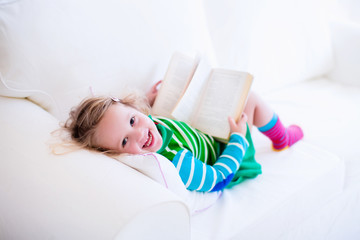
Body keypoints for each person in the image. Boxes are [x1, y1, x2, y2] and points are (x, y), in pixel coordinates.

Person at [62, 80, 303, 192]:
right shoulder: (175, 163)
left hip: (207, 130)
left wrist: (150, 99)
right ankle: (282, 138)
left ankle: (277, 134)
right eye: (125, 141)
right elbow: (217, 178)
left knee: (234, 90)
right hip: (228, 153)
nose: (139, 134)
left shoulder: (148, 125)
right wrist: (238, 140)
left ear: (134, 109)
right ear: (115, 153)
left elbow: (137, 120)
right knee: (251, 99)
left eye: (133, 120)